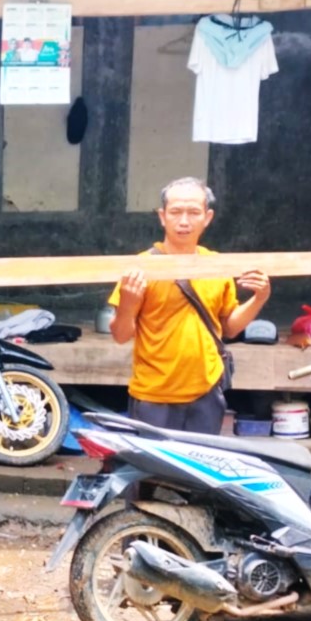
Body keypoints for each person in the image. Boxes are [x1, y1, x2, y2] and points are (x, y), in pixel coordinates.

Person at [109, 177, 272, 434]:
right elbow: (120, 335)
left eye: (193, 212)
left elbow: (229, 328)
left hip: (206, 393)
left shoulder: (216, 265)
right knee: (155, 473)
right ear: (162, 217)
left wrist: (259, 298)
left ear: (207, 218)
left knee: (199, 471)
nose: (184, 221)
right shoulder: (141, 267)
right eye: (175, 212)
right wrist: (128, 303)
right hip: (155, 395)